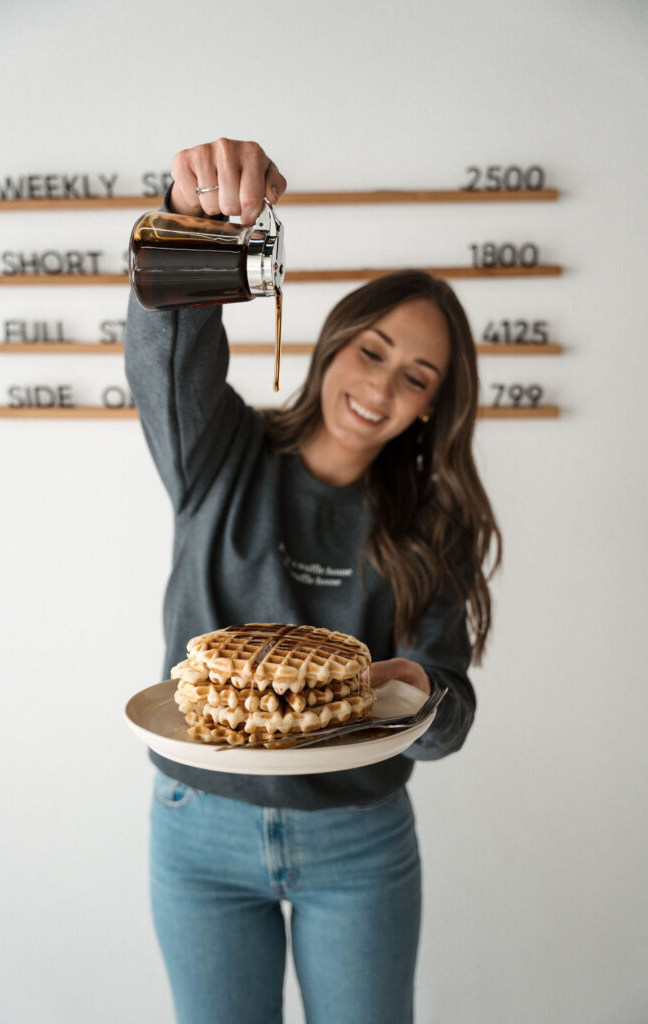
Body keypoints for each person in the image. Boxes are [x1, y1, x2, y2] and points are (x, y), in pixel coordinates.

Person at [124, 138, 502, 1024]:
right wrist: (195, 226)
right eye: (373, 351)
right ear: (334, 342)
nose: (383, 387)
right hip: (198, 823)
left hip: (358, 834)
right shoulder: (221, 455)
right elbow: (165, 353)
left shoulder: (430, 527)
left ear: (431, 409)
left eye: (417, 378)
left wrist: (418, 694)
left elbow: (449, 719)